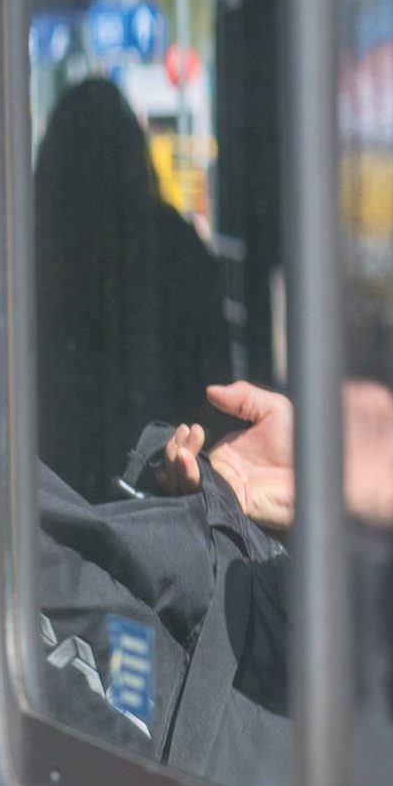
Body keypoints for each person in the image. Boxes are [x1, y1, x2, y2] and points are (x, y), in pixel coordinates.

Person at [30, 73, 232, 494]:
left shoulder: (32, 254)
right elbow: (215, 387)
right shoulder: (176, 246)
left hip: (47, 489)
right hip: (163, 484)